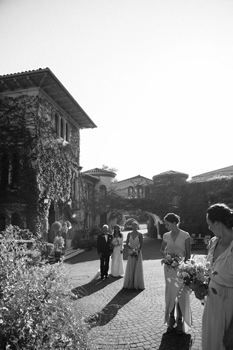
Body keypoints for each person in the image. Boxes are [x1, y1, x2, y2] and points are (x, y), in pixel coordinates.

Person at [201, 203, 233, 350]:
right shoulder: (213, 243)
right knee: (211, 341)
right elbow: (210, 271)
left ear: (218, 224)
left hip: (229, 308)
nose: (208, 228)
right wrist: (200, 285)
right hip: (212, 303)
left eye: (209, 224)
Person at [160, 213, 191, 334]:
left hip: (181, 270)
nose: (165, 226)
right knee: (170, 293)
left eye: (167, 224)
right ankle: (171, 319)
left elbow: (188, 254)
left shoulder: (185, 235)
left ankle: (180, 320)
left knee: (180, 294)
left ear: (174, 223)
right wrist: (167, 258)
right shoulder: (166, 235)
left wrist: (185, 269)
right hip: (169, 269)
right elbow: (162, 249)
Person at [123, 221, 145, 290]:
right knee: (131, 266)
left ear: (137, 226)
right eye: (133, 225)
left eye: (135, 225)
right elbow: (127, 243)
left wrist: (137, 251)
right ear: (131, 226)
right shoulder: (129, 234)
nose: (134, 227)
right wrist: (132, 249)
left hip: (138, 252)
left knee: (137, 267)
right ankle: (130, 283)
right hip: (131, 251)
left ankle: (137, 283)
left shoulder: (140, 234)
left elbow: (141, 244)